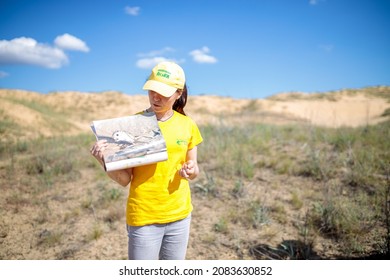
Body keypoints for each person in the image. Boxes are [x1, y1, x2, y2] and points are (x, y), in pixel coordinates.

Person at [90, 61, 203, 260]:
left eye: (163, 92)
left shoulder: (188, 125)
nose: (156, 97)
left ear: (178, 93)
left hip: (180, 215)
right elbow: (125, 179)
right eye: (152, 90)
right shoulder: (133, 125)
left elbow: (194, 171)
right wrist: (104, 160)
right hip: (143, 217)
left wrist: (191, 170)